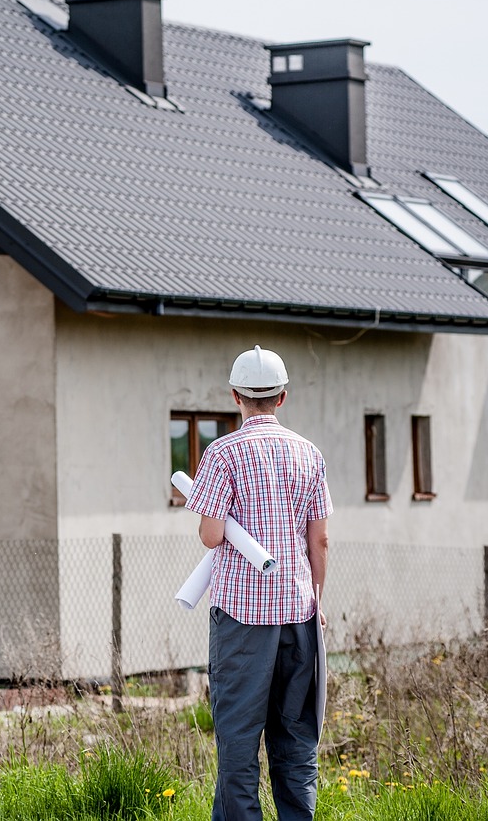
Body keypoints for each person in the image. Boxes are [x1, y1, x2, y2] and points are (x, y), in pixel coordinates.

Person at [184, 345, 331, 821]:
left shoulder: (222, 453)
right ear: (282, 397)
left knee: (239, 739)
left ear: (235, 396)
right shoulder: (309, 454)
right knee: (295, 737)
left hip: (242, 623)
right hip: (299, 616)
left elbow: (210, 535)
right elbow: (321, 541)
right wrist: (315, 601)